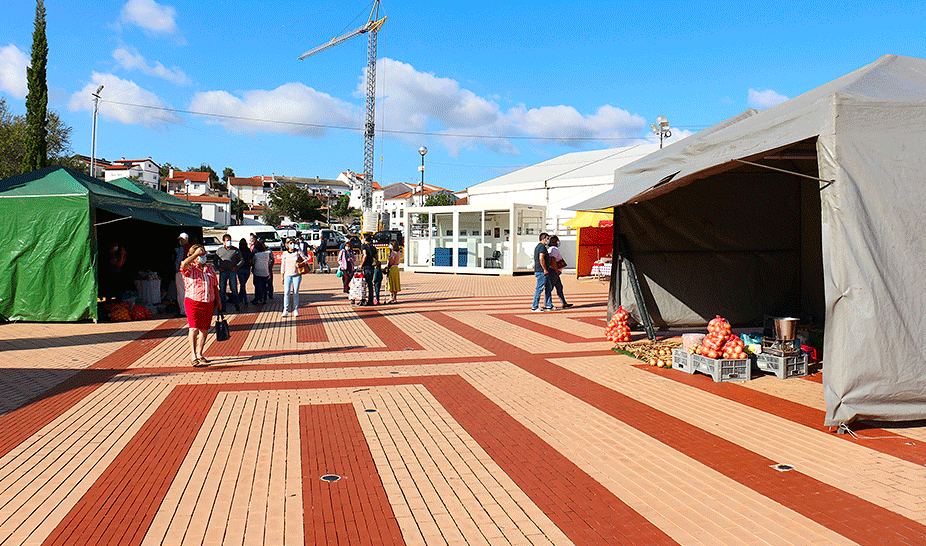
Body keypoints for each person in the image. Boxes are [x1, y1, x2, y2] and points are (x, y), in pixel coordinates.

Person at [179, 244, 219, 367]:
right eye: (200, 255)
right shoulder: (190, 268)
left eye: (203, 254)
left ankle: (200, 353)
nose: (202, 257)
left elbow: (214, 285)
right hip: (193, 301)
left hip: (208, 302)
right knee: (194, 327)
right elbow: (183, 265)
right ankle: (193, 354)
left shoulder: (209, 268)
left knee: (204, 329)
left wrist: (219, 301)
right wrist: (195, 254)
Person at [215, 234, 243, 313]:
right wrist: (218, 267)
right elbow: (215, 260)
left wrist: (236, 267)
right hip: (223, 272)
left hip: (232, 272)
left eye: (230, 240)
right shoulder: (219, 250)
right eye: (227, 241)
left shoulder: (235, 250)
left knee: (234, 289)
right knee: (222, 290)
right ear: (223, 242)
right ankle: (223, 306)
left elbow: (241, 260)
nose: (229, 242)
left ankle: (236, 304)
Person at [280, 238, 308, 317]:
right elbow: (283, 266)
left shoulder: (298, 252)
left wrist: (300, 264)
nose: (292, 245)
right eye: (290, 243)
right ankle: (285, 309)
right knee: (287, 292)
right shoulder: (285, 253)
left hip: (296, 275)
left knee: (295, 292)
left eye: (293, 243)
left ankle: (295, 309)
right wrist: (282, 276)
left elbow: (306, 259)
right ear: (287, 245)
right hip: (287, 275)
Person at [546, 235, 573, 309]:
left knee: (559, 287)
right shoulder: (554, 249)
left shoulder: (551, 249)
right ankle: (547, 303)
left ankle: (564, 302)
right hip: (554, 271)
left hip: (555, 271)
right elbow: (553, 260)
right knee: (550, 287)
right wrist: (556, 269)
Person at [531, 232, 553, 312]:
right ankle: (535, 306)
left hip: (542, 271)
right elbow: (541, 258)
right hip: (541, 271)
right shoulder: (541, 247)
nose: (548, 240)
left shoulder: (541, 246)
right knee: (539, 288)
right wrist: (544, 269)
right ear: (543, 239)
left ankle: (548, 305)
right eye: (547, 239)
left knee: (549, 287)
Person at [174, 233, 191, 316]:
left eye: (181, 239)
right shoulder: (191, 248)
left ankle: (183, 310)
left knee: (181, 291)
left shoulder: (182, 248)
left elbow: (179, 260)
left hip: (181, 272)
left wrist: (177, 270)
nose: (179, 241)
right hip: (189, 272)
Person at [358, 233, 377, 306]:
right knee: (370, 284)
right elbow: (376, 257)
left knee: (362, 284)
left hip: (365, 267)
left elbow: (365, 255)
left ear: (365, 239)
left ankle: (362, 299)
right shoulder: (373, 247)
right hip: (371, 267)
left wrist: (361, 264)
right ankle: (370, 300)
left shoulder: (364, 246)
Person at [384, 240, 402, 304]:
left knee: (391, 282)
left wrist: (387, 266)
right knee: (395, 282)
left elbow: (391, 261)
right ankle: (395, 297)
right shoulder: (398, 252)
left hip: (392, 268)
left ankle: (391, 297)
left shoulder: (393, 253)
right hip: (396, 268)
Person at [237, 238, 253, 306]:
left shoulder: (239, 252)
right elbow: (251, 260)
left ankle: (244, 299)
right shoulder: (248, 251)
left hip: (240, 269)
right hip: (247, 269)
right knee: (243, 284)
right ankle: (241, 297)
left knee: (242, 285)